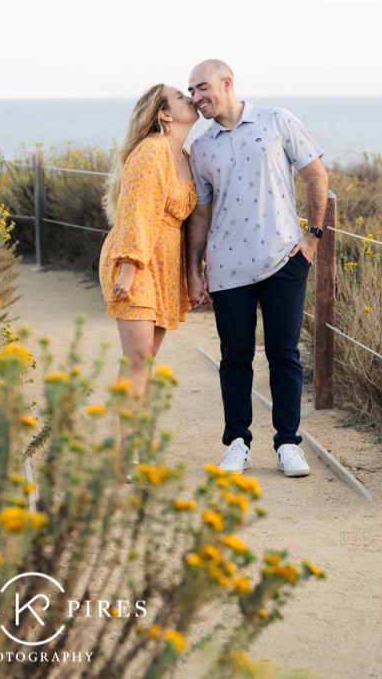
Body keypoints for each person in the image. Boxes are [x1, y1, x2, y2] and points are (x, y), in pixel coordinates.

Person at [185, 59, 328, 478]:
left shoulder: (277, 120)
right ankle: (237, 444)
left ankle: (288, 444)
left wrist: (312, 239)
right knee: (235, 358)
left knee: (284, 356)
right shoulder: (202, 147)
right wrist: (195, 270)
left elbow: (317, 175)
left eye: (202, 88)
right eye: (190, 91)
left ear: (227, 83)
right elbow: (200, 216)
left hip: (283, 259)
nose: (196, 98)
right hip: (227, 268)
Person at [99, 84, 200, 444]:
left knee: (146, 360)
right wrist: (129, 266)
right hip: (137, 260)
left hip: (165, 265)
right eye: (180, 95)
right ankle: (127, 450)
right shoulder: (151, 150)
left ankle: (135, 439)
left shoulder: (185, 156)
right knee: (138, 358)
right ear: (164, 113)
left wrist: (193, 274)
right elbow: (135, 211)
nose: (190, 97)